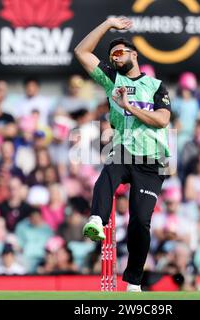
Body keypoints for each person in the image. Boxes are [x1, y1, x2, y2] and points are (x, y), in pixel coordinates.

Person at [75, 17, 172, 292]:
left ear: (134, 54)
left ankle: (133, 282)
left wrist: (128, 106)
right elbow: (81, 52)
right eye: (111, 56)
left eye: (119, 53)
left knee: (140, 222)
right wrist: (107, 24)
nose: (115, 58)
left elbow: (162, 120)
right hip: (124, 150)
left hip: (151, 161)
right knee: (109, 172)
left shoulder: (156, 86)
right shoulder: (111, 80)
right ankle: (97, 219)